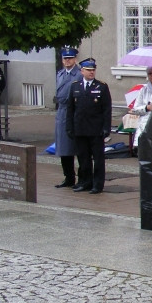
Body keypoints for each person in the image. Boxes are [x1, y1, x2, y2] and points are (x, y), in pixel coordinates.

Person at [66, 58, 112, 194]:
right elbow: (70, 109)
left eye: (93, 70)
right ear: (82, 71)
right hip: (80, 129)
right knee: (83, 158)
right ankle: (85, 182)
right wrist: (69, 127)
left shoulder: (101, 87)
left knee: (98, 159)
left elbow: (106, 110)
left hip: (96, 130)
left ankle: (97, 185)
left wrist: (106, 128)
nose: (91, 73)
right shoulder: (75, 86)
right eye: (88, 70)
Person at [53, 46, 82, 187]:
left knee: (75, 147)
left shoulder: (79, 74)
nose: (67, 61)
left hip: (73, 111)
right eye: (65, 58)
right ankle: (68, 177)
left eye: (70, 58)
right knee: (63, 147)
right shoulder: (60, 74)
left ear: (75, 59)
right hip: (62, 112)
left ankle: (80, 178)